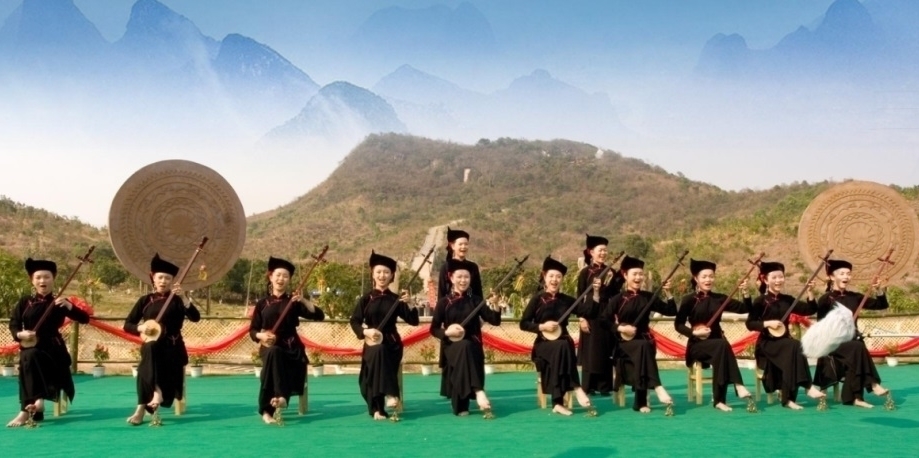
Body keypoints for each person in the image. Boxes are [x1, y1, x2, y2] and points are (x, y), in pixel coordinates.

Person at [6, 258, 90, 427]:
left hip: (53, 350)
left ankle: (26, 410)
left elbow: (84, 319)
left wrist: (70, 306)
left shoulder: (60, 302)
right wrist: (21, 334)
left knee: (29, 357)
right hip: (31, 346)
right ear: (32, 280)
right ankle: (37, 402)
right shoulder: (25, 302)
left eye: (46, 277)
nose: (42, 281)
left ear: (53, 279)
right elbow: (14, 324)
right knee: (29, 356)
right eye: (38, 277)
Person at [123, 254, 201, 426]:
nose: (163, 281)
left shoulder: (178, 300)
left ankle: (141, 408)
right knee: (150, 349)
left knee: (146, 364)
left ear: (172, 281)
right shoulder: (145, 300)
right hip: (152, 347)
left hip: (172, 348)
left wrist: (185, 298)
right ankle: (156, 393)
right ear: (153, 278)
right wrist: (140, 328)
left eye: (167, 278)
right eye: (160, 277)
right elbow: (128, 325)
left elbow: (195, 318)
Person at [249, 256, 325, 424]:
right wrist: (262, 336)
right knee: (273, 352)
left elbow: (319, 316)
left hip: (292, 349)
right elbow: (253, 331)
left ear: (289, 280)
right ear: (270, 277)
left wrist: (303, 299)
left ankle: (268, 409)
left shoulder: (293, 302)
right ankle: (280, 398)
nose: (281, 279)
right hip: (269, 346)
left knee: (275, 357)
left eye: (285, 276)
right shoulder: (262, 304)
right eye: (278, 275)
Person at [520, 256, 596, 415]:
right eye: (551, 276)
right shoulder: (537, 299)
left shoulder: (566, 300)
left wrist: (594, 292)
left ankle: (558, 403)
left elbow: (588, 311)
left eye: (558, 277)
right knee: (562, 347)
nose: (554, 280)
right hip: (543, 344)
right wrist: (542, 326)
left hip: (563, 344)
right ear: (544, 276)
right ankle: (577, 388)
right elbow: (524, 323)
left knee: (563, 346)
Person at [745, 261, 826, 409]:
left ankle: (790, 399)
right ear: (765, 280)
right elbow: (750, 324)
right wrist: (767, 323)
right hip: (767, 344)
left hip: (785, 343)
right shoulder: (761, 301)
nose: (778, 280)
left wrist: (810, 292)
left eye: (781, 277)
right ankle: (807, 387)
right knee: (794, 346)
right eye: (774, 277)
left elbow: (810, 310)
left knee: (794, 348)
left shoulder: (788, 300)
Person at [674, 259, 753, 411]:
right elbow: (678, 325)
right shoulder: (689, 300)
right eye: (704, 276)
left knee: (721, 348)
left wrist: (746, 292)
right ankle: (738, 385)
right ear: (696, 278)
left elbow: (745, 309)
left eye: (711, 276)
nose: (708, 280)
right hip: (697, 345)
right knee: (722, 345)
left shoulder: (720, 298)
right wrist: (694, 332)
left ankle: (719, 401)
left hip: (717, 344)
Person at [349, 251, 419, 420]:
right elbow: (354, 321)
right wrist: (366, 331)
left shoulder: (396, 299)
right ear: (373, 274)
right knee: (376, 352)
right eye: (379, 272)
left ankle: (380, 406)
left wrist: (410, 303)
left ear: (392, 275)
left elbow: (414, 321)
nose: (382, 276)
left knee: (380, 351)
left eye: (386, 272)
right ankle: (389, 396)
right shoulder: (365, 299)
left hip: (391, 345)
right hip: (371, 343)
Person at [602, 256, 675, 413]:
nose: (638, 277)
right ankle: (657, 386)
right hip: (624, 344)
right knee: (643, 346)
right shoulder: (618, 299)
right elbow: (603, 321)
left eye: (640, 274)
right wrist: (620, 329)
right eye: (634, 274)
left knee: (644, 346)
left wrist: (668, 293)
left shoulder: (648, 297)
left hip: (644, 341)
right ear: (625, 275)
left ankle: (640, 403)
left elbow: (671, 311)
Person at [813, 259, 889, 407]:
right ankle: (873, 384)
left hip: (852, 342)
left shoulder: (855, 297)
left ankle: (855, 398)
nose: (846, 277)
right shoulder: (825, 300)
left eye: (848, 274)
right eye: (842, 274)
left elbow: (881, 305)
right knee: (858, 347)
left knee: (857, 347)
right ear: (832, 277)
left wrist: (878, 290)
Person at [430, 258, 500, 416]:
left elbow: (494, 321)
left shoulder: (476, 300)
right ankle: (478, 391)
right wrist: (447, 333)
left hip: (473, 343)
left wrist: (495, 305)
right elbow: (433, 329)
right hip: (451, 345)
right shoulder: (444, 302)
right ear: (451, 278)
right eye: (459, 277)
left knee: (467, 346)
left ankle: (470, 398)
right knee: (463, 347)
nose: (463, 280)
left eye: (466, 277)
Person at [575, 234, 624, 396]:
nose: (603, 253)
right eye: (600, 250)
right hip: (590, 312)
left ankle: (604, 386)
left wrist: (617, 279)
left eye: (605, 250)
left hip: (606, 311)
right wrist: (581, 318)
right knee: (590, 350)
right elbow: (579, 296)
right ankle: (588, 386)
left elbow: (615, 294)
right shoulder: (585, 272)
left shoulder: (610, 271)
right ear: (591, 252)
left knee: (605, 348)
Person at [437, 227, 484, 300]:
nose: (463, 247)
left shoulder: (473, 267)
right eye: (460, 244)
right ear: (453, 246)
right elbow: (441, 293)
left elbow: (478, 292)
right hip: (451, 305)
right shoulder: (446, 267)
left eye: (466, 244)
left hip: (470, 304)